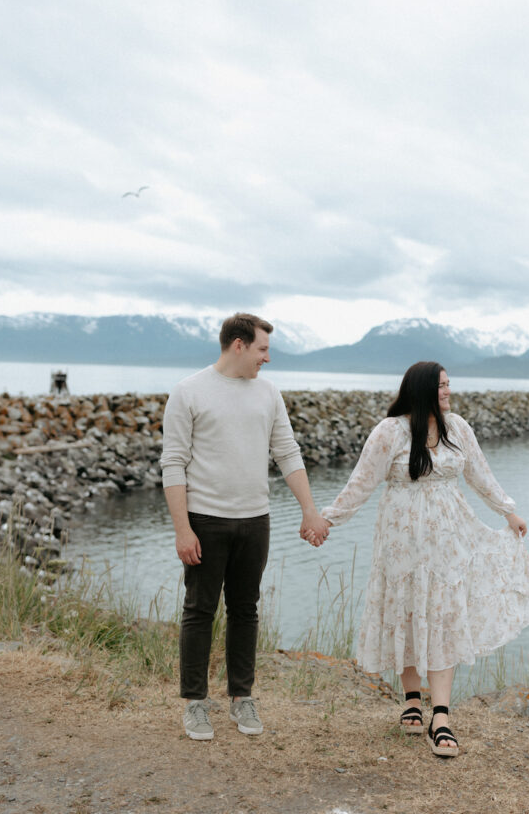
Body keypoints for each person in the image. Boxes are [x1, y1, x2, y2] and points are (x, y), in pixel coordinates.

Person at [317, 361, 529, 757]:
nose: (447, 391)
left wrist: (507, 510)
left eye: (448, 384)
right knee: (406, 610)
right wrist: (326, 520)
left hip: (449, 537)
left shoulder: (457, 427)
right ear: (421, 389)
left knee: (443, 615)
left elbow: (479, 473)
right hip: (402, 540)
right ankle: (411, 698)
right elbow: (361, 482)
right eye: (441, 386)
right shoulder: (390, 431)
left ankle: (441, 715)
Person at [160, 312, 330, 741]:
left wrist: (309, 511)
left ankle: (242, 698)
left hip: (255, 520)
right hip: (205, 519)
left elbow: (288, 454)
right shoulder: (189, 392)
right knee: (199, 611)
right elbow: (173, 464)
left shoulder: (268, 394)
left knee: (246, 611)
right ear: (239, 345)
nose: (266, 359)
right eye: (262, 349)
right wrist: (183, 530)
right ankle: (195, 704)